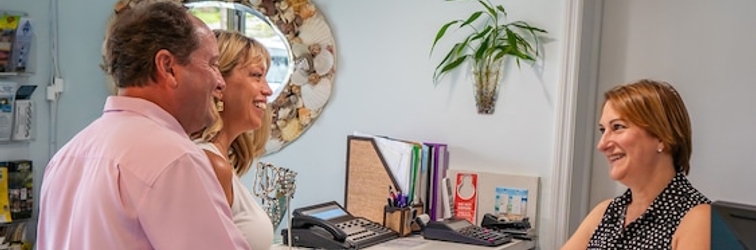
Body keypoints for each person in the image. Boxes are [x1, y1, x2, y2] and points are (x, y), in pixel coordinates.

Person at [36, 2, 251, 250]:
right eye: (212, 64)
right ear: (168, 67)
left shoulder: (66, 157)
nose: (220, 82)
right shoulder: (173, 159)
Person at [561, 79, 711, 250]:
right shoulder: (605, 213)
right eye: (603, 130)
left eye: (617, 127)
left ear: (662, 137)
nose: (602, 144)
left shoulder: (698, 218)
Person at [192, 29, 274, 250]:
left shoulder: (221, 160)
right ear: (219, 83)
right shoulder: (211, 163)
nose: (268, 90)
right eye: (257, 75)